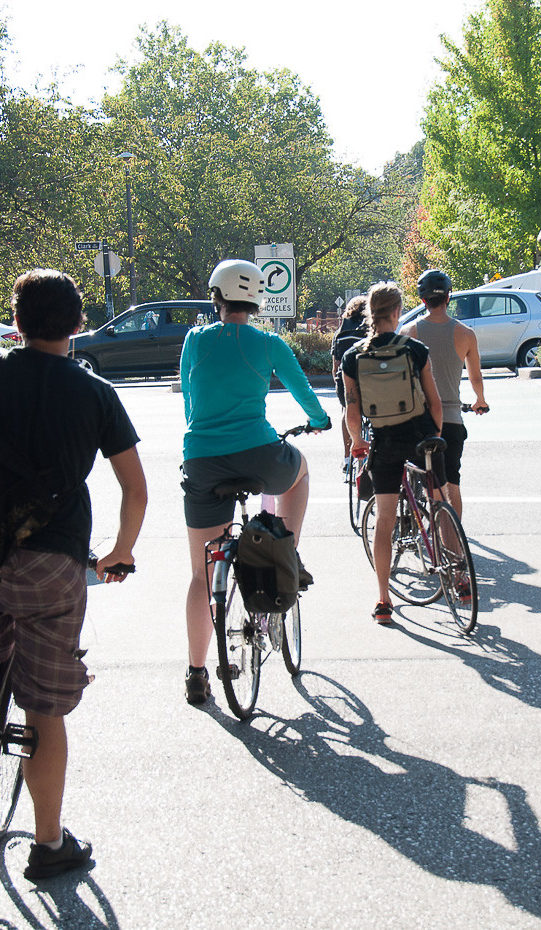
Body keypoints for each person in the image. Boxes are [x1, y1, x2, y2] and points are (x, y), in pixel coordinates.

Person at [0, 268, 148, 880]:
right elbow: (134, 486)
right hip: (52, 562)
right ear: (77, 325)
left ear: (16, 322)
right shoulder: (95, 393)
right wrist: (118, 552)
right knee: (44, 708)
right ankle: (48, 845)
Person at [180, 259, 330, 706]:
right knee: (299, 470)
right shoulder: (268, 342)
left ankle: (196, 671)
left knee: (201, 574)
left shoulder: (194, 340)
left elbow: (189, 400)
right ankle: (287, 548)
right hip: (260, 455)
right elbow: (303, 390)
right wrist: (318, 420)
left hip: (203, 460)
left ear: (217, 298)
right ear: (256, 301)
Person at [341, 281, 445, 625]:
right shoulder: (415, 349)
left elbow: (352, 412)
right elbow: (434, 402)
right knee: (439, 500)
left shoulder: (352, 356)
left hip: (384, 440)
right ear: (398, 311)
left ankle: (384, 600)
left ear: (370, 313)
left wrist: (357, 441)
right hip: (419, 435)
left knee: (384, 520)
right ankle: (459, 579)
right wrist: (435, 436)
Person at [399, 268, 489, 518]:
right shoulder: (466, 334)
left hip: (420, 420)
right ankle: (455, 544)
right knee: (452, 482)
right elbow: (475, 377)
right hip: (451, 419)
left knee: (425, 480)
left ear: (422, 300)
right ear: (449, 297)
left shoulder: (408, 332)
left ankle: (429, 537)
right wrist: (479, 400)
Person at [331, 295, 368, 457]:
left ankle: (348, 457)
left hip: (346, 384)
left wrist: (339, 384)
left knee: (346, 411)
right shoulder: (370, 330)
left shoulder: (340, 333)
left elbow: (335, 367)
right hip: (370, 383)